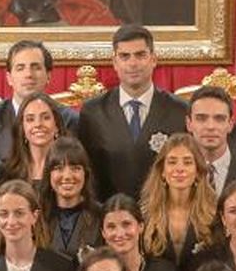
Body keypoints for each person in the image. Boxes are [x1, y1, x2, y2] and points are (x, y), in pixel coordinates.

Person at [76, 24, 190, 200]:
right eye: (124, 56)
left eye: (140, 55)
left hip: (164, 216)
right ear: (114, 62)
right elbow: (86, 172)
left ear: (153, 59)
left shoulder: (179, 110)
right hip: (111, 217)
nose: (133, 63)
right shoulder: (93, 112)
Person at [0, 39, 79, 161]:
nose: (28, 74)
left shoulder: (70, 121)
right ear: (9, 78)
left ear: (48, 76)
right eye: (20, 68)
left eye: (36, 67)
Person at [140, 133, 217, 271]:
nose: (179, 169)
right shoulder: (145, 214)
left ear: (198, 172)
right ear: (162, 171)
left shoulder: (214, 214)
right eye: (172, 162)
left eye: (187, 162)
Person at [186, 85, 236, 195]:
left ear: (230, 124)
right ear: (189, 123)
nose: (210, 126)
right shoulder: (172, 178)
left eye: (219, 119)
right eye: (201, 118)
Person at [37, 137, 102, 260]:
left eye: (75, 168)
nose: (67, 176)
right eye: (58, 168)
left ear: (85, 173)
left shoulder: (101, 216)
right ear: (48, 174)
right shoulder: (36, 218)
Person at [5, 92, 68, 185]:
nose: (38, 124)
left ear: (56, 126)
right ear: (22, 129)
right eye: (30, 119)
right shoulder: (9, 173)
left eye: (46, 118)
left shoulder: (70, 169)